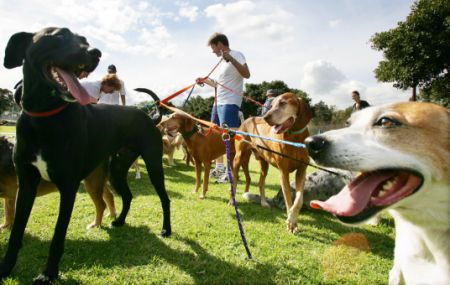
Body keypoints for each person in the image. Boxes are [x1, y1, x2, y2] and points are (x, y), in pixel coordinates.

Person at [196, 32, 250, 183]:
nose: (213, 51)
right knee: (216, 137)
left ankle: (231, 172)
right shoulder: (221, 62)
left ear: (220, 44)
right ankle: (219, 168)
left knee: (229, 138)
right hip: (218, 103)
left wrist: (231, 59)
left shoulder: (237, 54)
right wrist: (205, 81)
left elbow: (247, 74)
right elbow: (220, 85)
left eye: (213, 47)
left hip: (230, 102)